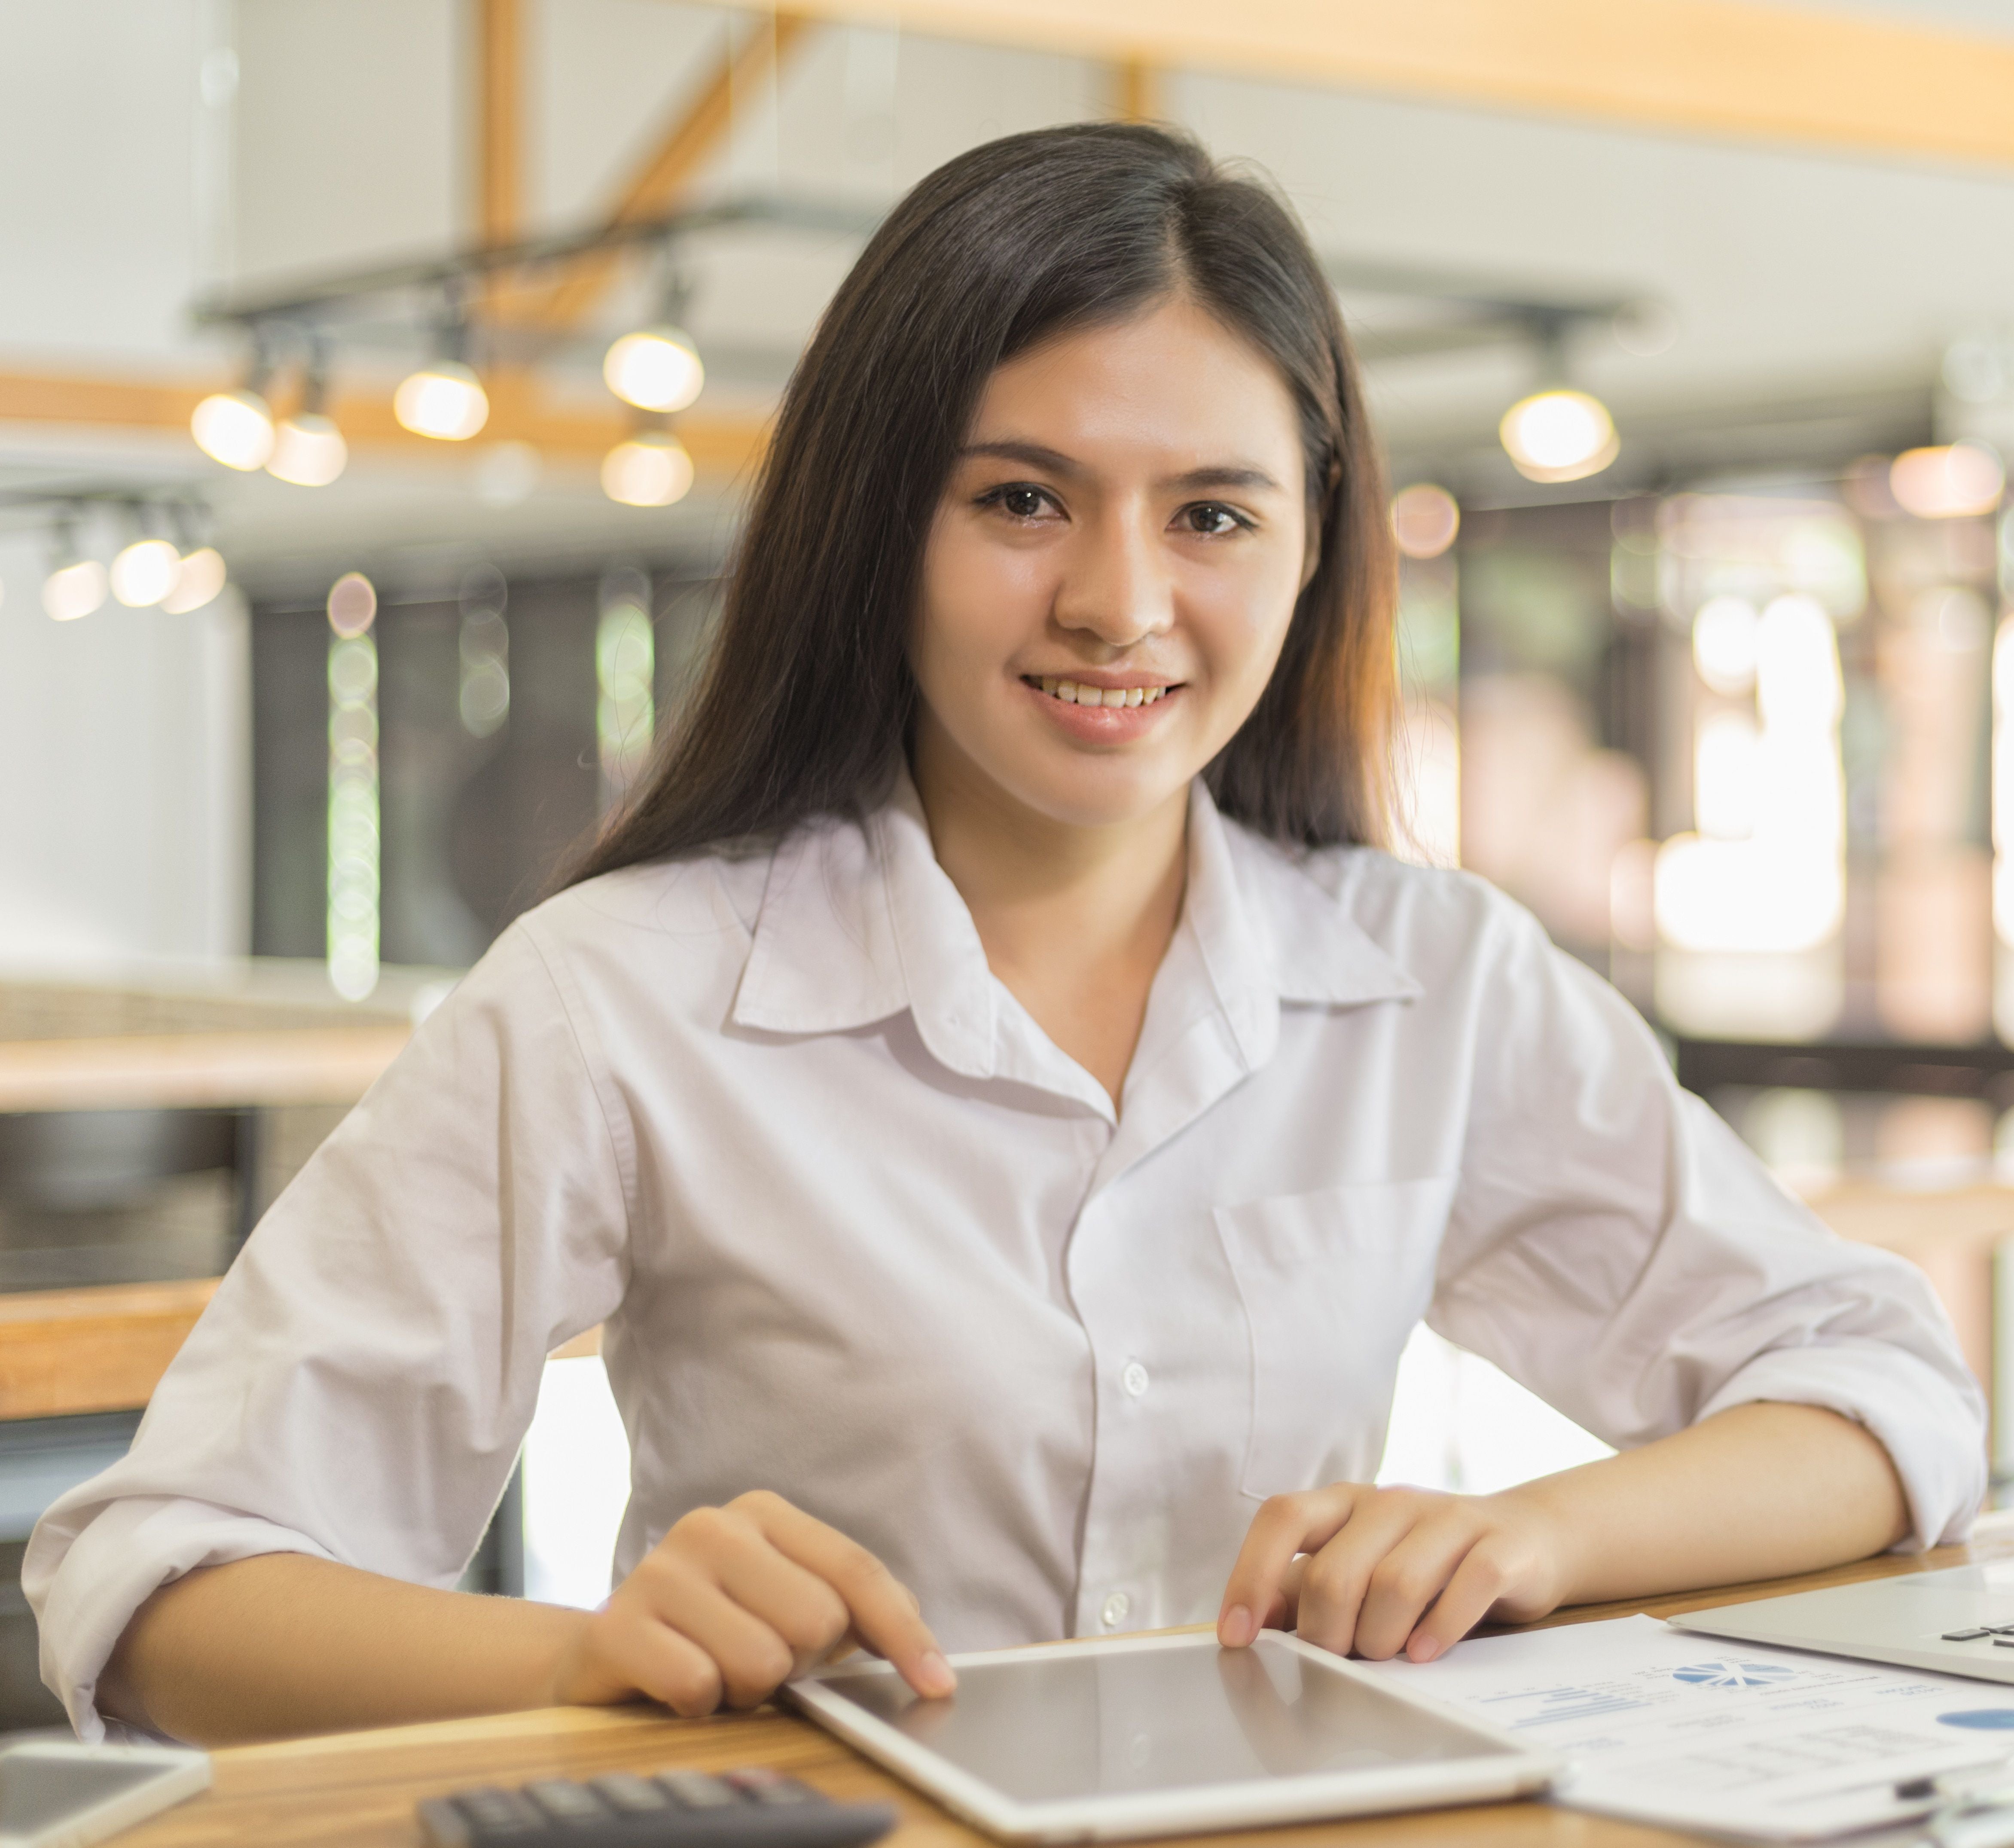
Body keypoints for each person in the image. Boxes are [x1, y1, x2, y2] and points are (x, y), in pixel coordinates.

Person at [28, 123, 1982, 1749]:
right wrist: (577, 1659)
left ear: (1308, 553)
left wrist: (1533, 1535)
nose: (1117, 603)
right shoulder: (617, 994)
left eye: (1210, 515)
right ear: (879, 525)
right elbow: (158, 1578)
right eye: (1023, 498)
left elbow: (1880, 1394)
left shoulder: (1431, 975)